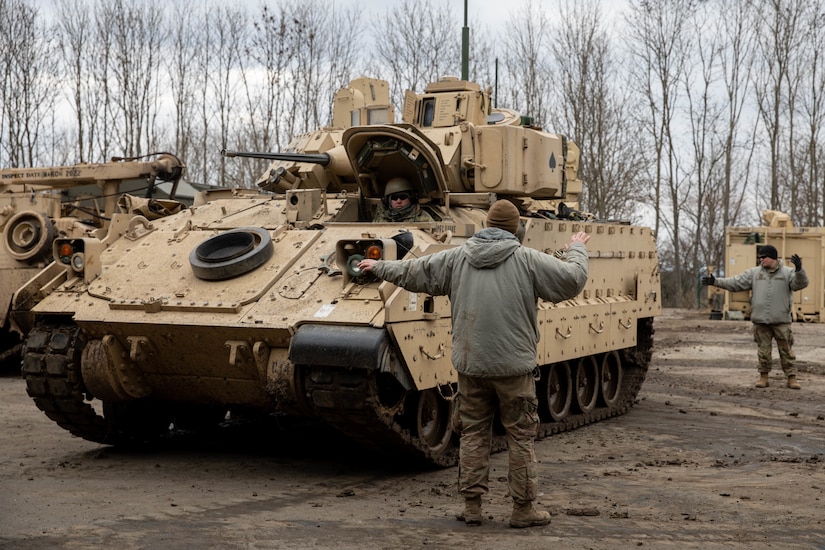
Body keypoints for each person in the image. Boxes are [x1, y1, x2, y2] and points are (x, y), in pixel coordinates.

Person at [358, 200, 590, 528]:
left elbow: (414, 272)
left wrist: (377, 267)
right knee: (520, 436)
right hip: (514, 368)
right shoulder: (528, 260)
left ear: (486, 226)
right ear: (515, 229)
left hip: (472, 366)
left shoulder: (457, 257)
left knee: (473, 433)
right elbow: (573, 278)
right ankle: (523, 510)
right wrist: (577, 248)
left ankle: (472, 507)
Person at [702, 244, 809, 389]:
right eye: (760, 257)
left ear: (772, 258)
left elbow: (800, 284)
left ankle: (791, 378)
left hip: (781, 321)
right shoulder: (754, 273)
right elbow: (736, 282)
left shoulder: (788, 273)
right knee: (763, 351)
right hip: (761, 321)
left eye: (763, 257)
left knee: (786, 351)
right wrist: (716, 282)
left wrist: (800, 270)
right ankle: (763, 377)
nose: (761, 260)